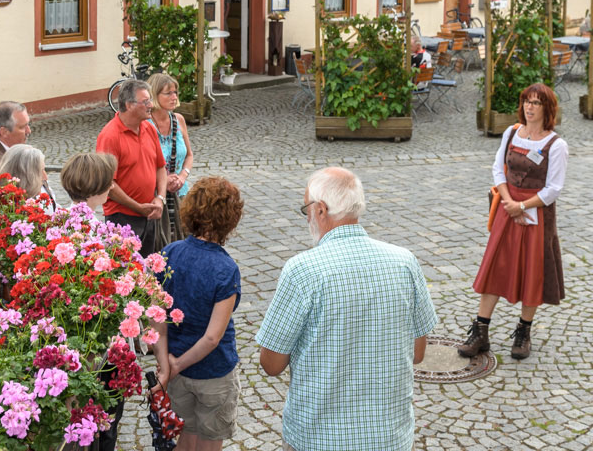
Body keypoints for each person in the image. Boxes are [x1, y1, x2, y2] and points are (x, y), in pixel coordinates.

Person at [255, 167, 437, 451]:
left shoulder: (302, 270)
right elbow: (418, 352)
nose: (307, 218)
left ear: (321, 210)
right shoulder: (405, 262)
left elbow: (272, 364)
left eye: (306, 210)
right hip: (388, 437)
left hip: (318, 438)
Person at [461, 83, 567, 360]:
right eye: (527, 102)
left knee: (533, 270)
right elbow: (499, 169)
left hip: (537, 214)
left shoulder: (556, 145)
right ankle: (480, 331)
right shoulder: (511, 133)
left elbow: (553, 189)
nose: (529, 107)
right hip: (507, 210)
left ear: (547, 108)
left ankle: (524, 331)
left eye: (536, 103)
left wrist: (522, 206)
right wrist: (510, 204)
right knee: (495, 266)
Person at [152, 177, 243, 451]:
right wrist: (177, 365)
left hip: (176, 368)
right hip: (214, 372)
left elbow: (157, 319)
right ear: (230, 220)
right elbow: (213, 338)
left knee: (184, 437)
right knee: (208, 441)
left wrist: (167, 365)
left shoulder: (168, 254)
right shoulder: (226, 269)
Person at [96, 79, 167, 256]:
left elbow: (160, 167)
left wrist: (160, 199)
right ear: (129, 105)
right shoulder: (110, 136)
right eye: (145, 101)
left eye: (150, 100)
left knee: (148, 270)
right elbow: (108, 184)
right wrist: (136, 206)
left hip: (149, 214)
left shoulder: (148, 129)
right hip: (122, 218)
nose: (151, 105)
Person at [147, 73, 194, 245]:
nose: (174, 97)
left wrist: (182, 176)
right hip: (155, 196)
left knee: (183, 242)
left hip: (180, 193)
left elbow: (189, 155)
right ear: (154, 95)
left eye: (175, 92)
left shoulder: (179, 120)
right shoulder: (145, 124)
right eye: (168, 93)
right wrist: (163, 180)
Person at [0, 144, 56, 213]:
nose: (45, 177)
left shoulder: (40, 190)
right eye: (41, 171)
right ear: (25, 176)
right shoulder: (8, 211)